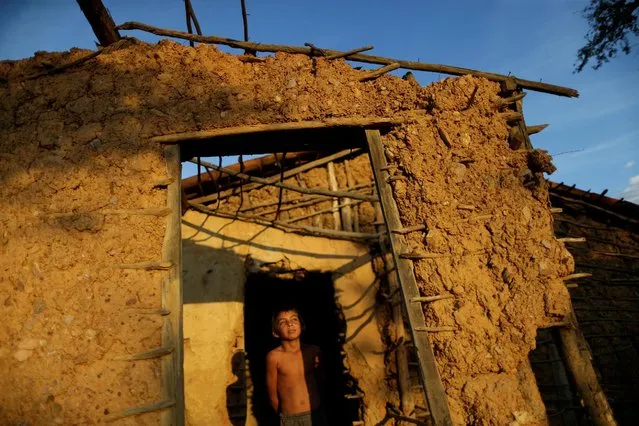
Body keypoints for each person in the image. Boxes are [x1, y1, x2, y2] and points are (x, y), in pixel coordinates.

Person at [266, 306, 328, 426]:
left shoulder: (314, 351)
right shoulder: (274, 357)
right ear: (275, 332)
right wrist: (285, 418)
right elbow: (272, 396)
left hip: (316, 414)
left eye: (294, 319)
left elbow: (323, 382)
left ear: (302, 325)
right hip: (291, 419)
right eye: (283, 322)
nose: (290, 324)